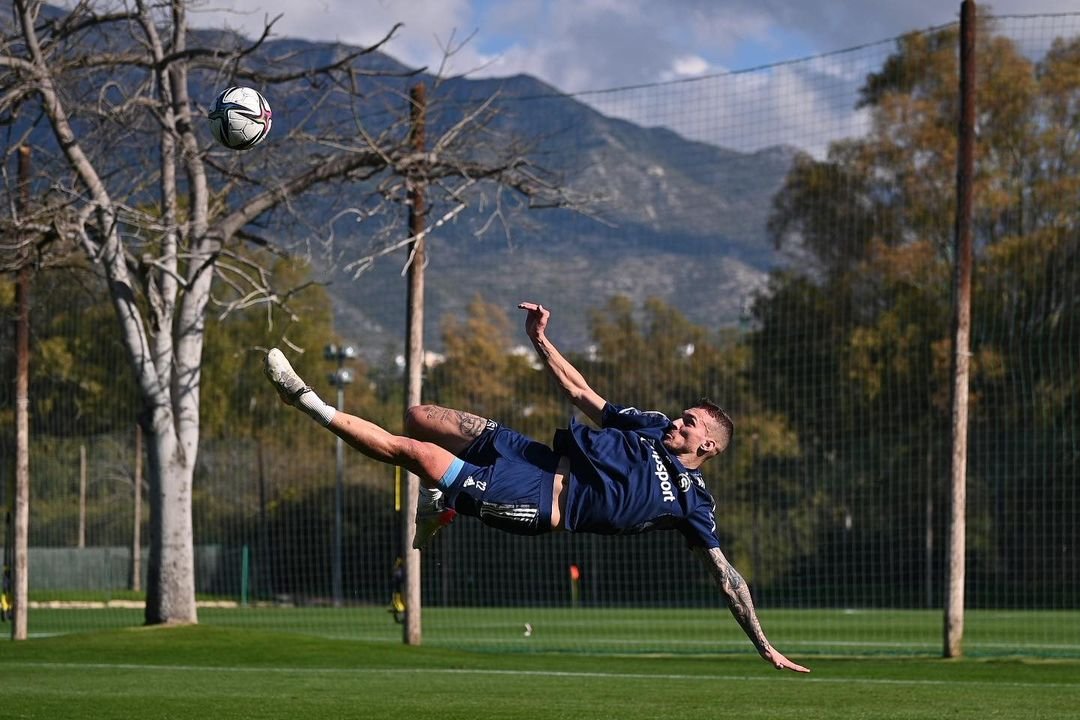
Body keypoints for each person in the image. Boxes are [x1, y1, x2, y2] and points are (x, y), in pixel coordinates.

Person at [263, 301, 810, 673]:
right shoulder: (648, 424)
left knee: (419, 456)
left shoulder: (694, 503)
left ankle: (307, 402)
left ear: (708, 446)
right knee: (420, 417)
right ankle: (444, 506)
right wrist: (540, 340)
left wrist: (764, 644)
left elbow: (728, 578)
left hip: (535, 502)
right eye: (682, 415)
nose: (678, 422)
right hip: (532, 456)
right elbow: (581, 393)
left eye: (689, 423)